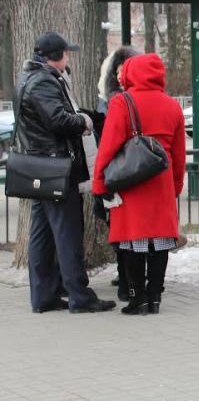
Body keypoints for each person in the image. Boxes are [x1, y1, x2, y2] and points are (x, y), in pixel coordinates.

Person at [16, 31, 116, 314]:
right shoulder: (44, 81)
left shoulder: (29, 77)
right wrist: (84, 121)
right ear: (55, 57)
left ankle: (44, 295)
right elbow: (58, 119)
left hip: (40, 167)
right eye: (66, 53)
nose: (69, 57)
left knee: (43, 234)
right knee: (67, 232)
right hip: (56, 167)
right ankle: (80, 297)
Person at [92, 53, 185, 315]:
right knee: (160, 243)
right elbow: (178, 155)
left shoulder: (122, 102)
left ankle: (137, 298)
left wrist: (100, 183)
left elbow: (108, 147)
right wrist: (175, 186)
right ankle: (155, 298)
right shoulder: (172, 106)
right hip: (162, 181)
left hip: (131, 180)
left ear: (130, 74)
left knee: (133, 241)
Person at [93, 46, 141, 303]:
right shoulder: (112, 100)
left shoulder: (115, 101)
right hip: (123, 173)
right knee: (122, 230)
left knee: (125, 230)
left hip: (120, 172)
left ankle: (129, 283)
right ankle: (130, 282)